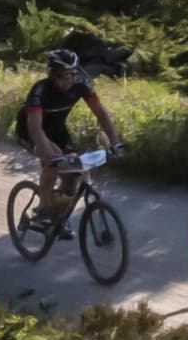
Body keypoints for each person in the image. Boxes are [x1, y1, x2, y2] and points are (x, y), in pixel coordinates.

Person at [11, 47, 121, 216]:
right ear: (52, 75)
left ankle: (57, 211)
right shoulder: (40, 91)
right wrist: (51, 156)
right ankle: (43, 208)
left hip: (57, 131)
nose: (68, 81)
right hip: (30, 131)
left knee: (73, 178)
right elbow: (35, 128)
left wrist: (115, 142)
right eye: (62, 76)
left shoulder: (80, 86)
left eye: (71, 75)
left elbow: (101, 113)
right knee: (53, 161)